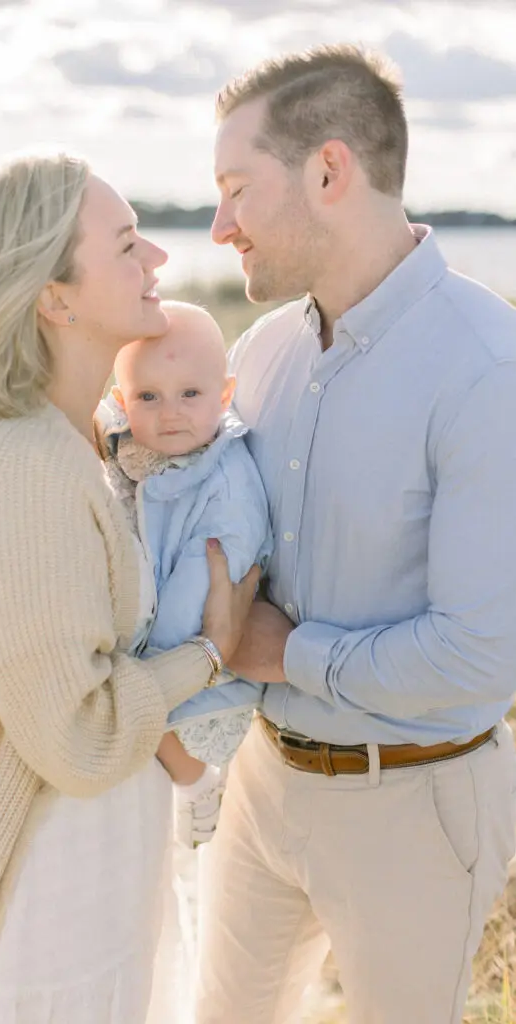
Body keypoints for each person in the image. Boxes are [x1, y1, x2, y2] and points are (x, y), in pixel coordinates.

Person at [0, 148, 259, 1024]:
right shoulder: (25, 472)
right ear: (54, 298)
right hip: (40, 904)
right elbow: (79, 735)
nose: (157, 258)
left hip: (86, 873)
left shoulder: (87, 439)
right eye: (127, 244)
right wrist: (212, 651)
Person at [196, 44, 516, 1024]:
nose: (218, 226)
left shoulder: (486, 370)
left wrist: (283, 653)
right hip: (260, 781)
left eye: (235, 190)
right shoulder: (261, 350)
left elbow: (482, 652)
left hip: (412, 805)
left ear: (327, 171)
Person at [100, 300, 273, 846]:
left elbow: (202, 590)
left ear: (224, 395)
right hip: (161, 656)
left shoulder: (227, 486)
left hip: (193, 674)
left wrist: (149, 668)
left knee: (136, 722)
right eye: (148, 397)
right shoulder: (147, 450)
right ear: (122, 402)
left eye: (190, 394)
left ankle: (195, 781)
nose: (170, 413)